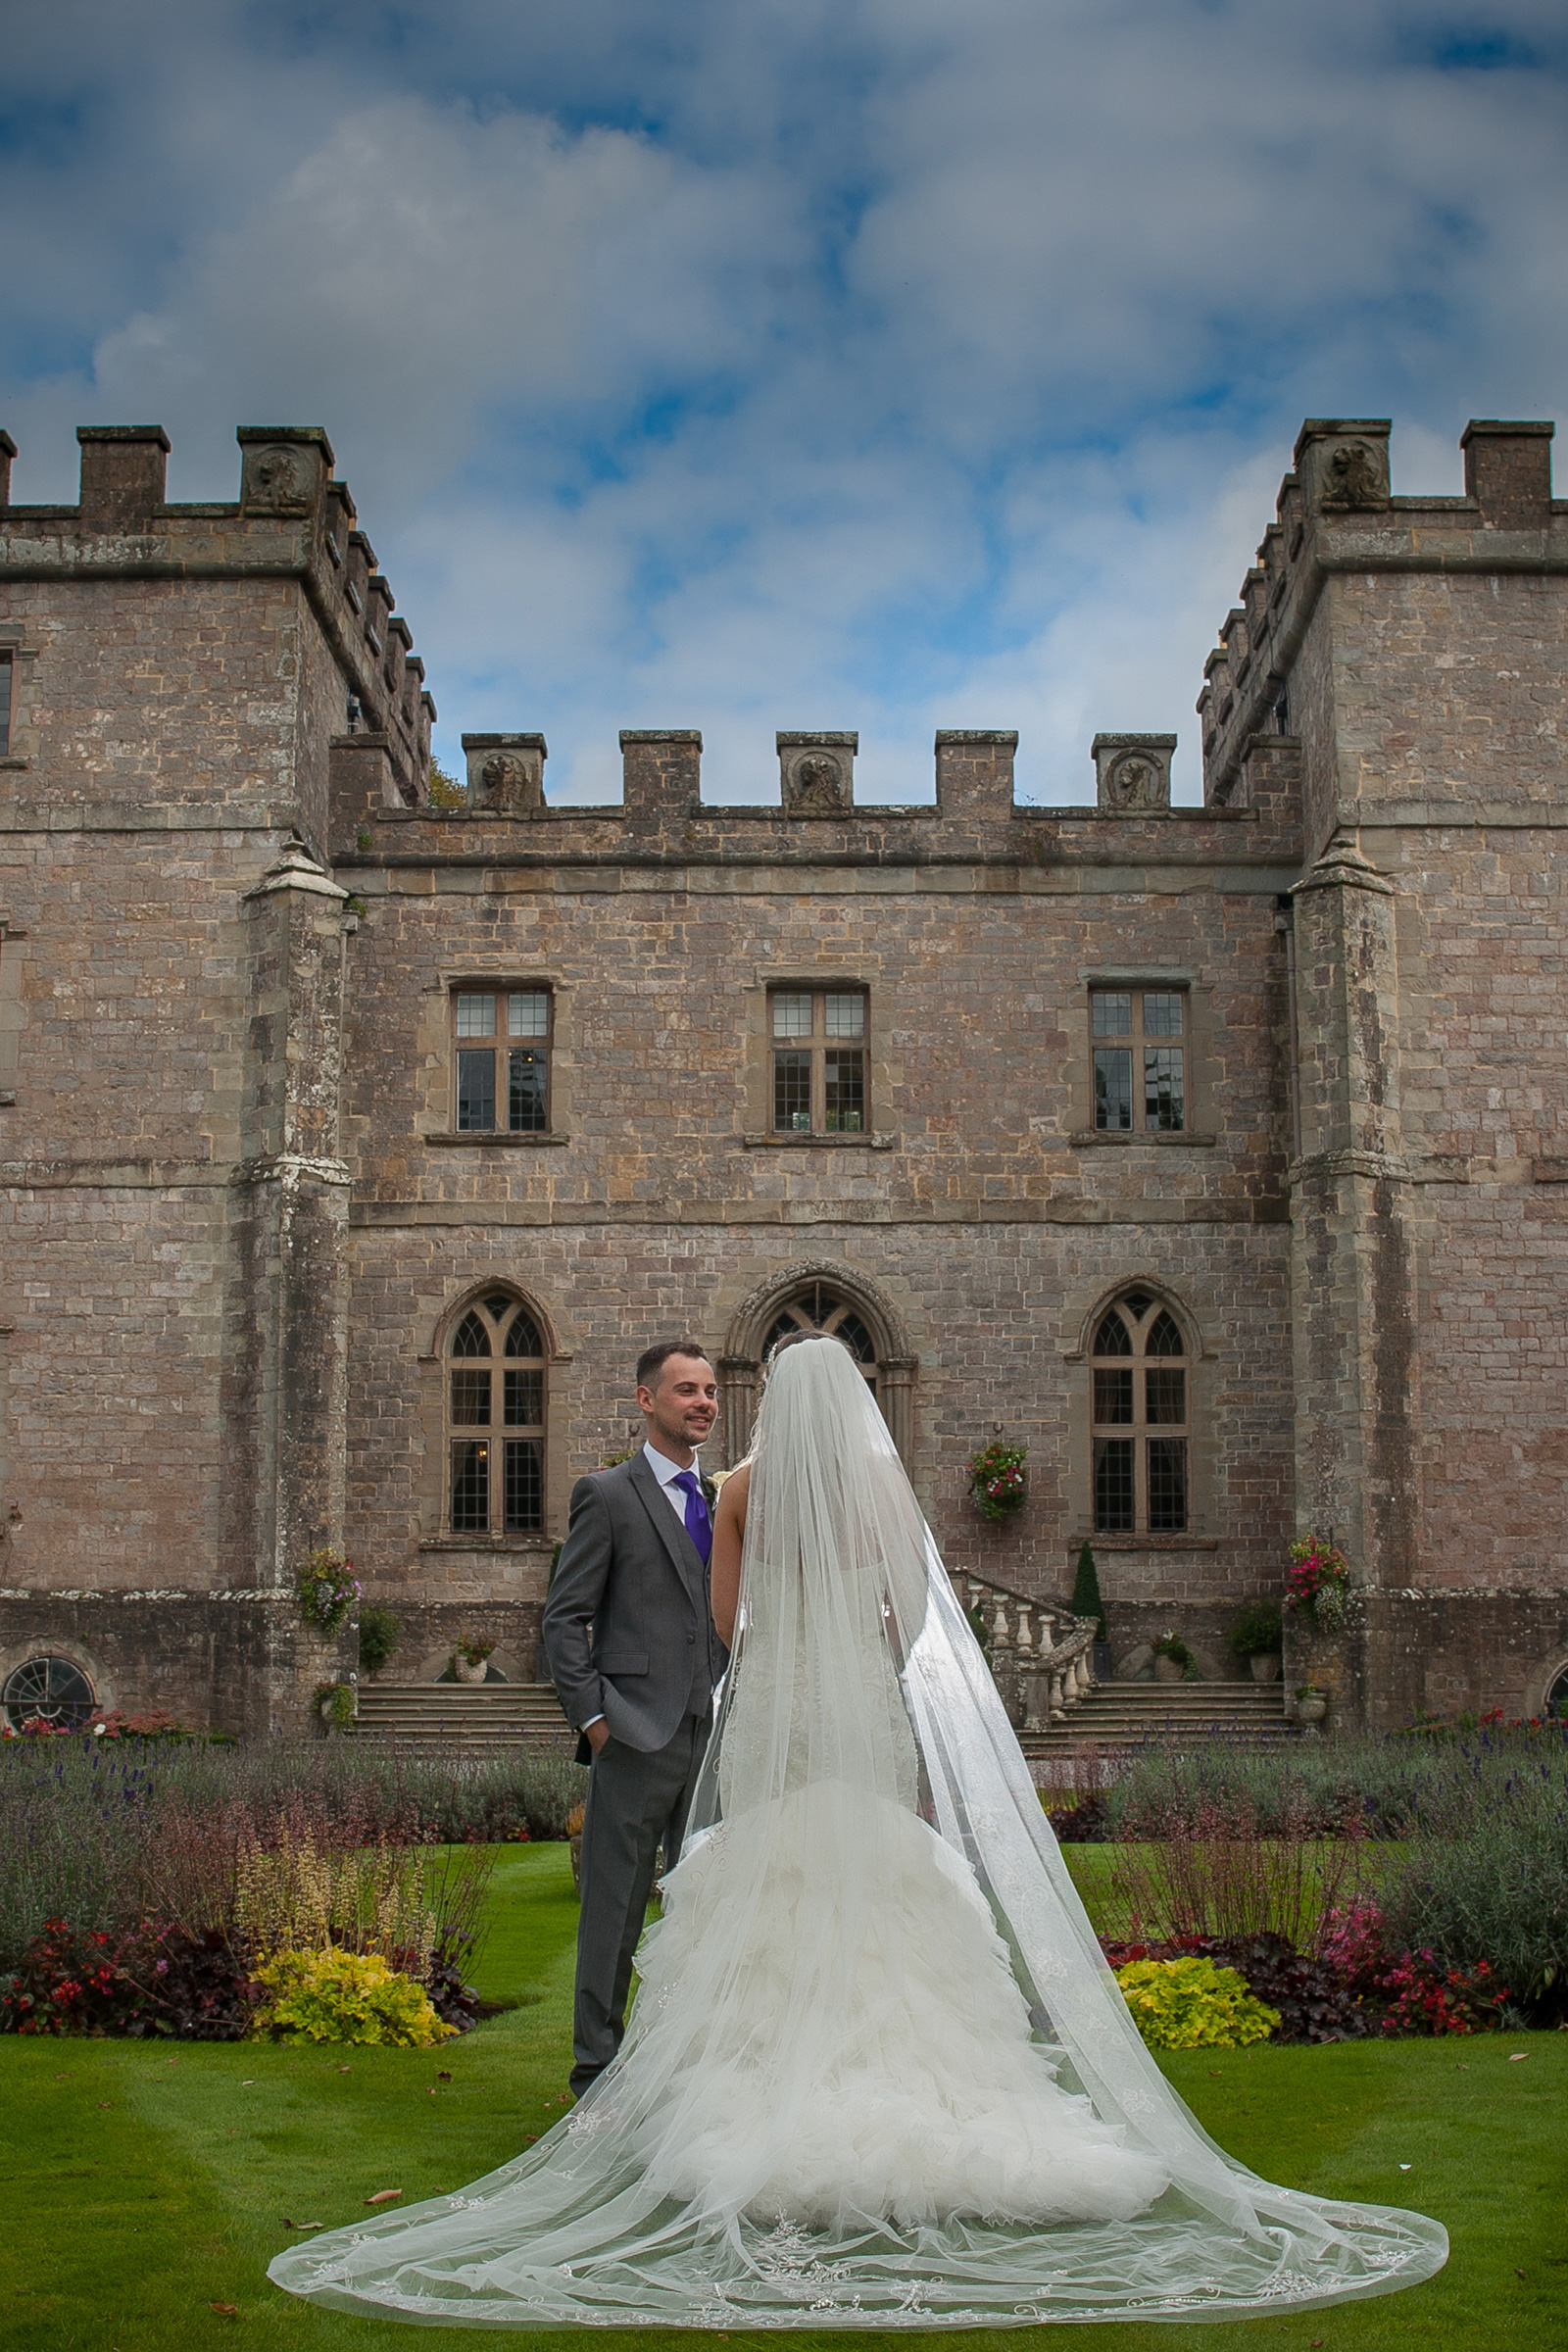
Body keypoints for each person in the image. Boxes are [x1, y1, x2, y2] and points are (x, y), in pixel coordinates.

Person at [270, 1336, 1446, 2328]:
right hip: (859, 1702)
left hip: (779, 1694)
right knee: (885, 1877)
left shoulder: (735, 1489)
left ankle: (741, 2090)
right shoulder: (885, 1492)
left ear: (768, 1400)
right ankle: (933, 2093)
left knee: (770, 1878)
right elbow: (921, 1611)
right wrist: (863, 1648)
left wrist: (781, 1646)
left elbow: (726, 1621)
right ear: (863, 1405)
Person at [540, 1339, 726, 2097]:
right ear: (647, 1400)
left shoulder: (722, 1499)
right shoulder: (607, 1495)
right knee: (613, 1911)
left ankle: (680, 2067)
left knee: (703, 1908)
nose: (704, 1401)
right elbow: (564, 1620)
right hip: (634, 1734)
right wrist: (596, 1721)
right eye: (686, 1390)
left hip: (710, 1734)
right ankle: (596, 2070)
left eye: (710, 1390)